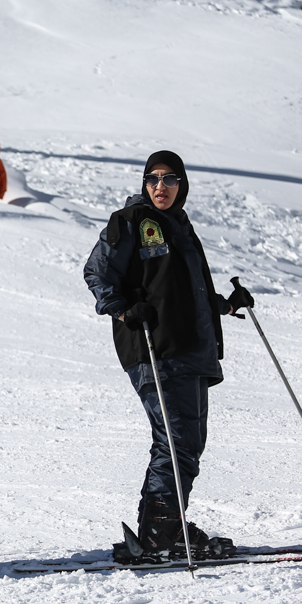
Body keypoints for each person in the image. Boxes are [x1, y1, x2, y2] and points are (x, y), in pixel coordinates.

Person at [83, 151, 253, 563]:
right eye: (153, 178)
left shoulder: (180, 228)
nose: (161, 186)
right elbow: (97, 273)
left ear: (182, 184)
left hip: (193, 348)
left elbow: (182, 294)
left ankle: (168, 526)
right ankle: (159, 532)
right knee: (175, 441)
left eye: (170, 178)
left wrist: (226, 306)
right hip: (154, 349)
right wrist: (124, 309)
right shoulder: (129, 223)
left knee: (189, 444)